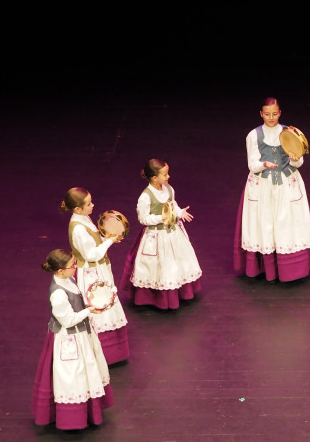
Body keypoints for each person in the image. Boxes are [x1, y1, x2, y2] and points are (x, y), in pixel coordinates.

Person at [234, 97, 310, 282]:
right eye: (267, 114)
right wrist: (263, 164)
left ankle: (290, 269)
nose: (271, 118)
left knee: (287, 223)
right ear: (261, 114)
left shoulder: (290, 133)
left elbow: (299, 161)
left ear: (280, 113)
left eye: (274, 114)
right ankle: (267, 268)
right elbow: (252, 164)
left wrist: (295, 158)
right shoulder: (253, 135)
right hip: (263, 185)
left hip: (287, 183)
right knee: (264, 223)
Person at [32, 249, 114, 430]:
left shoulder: (70, 279)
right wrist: (89, 311)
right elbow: (67, 320)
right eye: (72, 265)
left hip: (81, 335)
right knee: (72, 378)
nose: (75, 267)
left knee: (85, 373)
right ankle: (72, 418)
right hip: (69, 339)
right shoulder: (58, 293)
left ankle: (88, 412)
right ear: (60, 270)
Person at [121, 159, 202, 309]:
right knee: (161, 266)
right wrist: (161, 218)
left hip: (173, 234)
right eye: (165, 174)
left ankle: (180, 291)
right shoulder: (145, 197)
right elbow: (143, 218)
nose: (168, 177)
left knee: (176, 263)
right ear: (154, 178)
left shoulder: (168, 189)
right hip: (157, 237)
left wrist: (180, 212)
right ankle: (160, 298)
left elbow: (173, 205)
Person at [62, 187, 129, 364]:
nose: (93, 205)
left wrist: (107, 235)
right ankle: (103, 355)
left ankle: (115, 354)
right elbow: (91, 255)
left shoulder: (84, 218)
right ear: (77, 209)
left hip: (99, 270)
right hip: (91, 274)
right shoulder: (77, 229)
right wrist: (109, 241)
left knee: (108, 303)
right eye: (89, 203)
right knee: (99, 306)